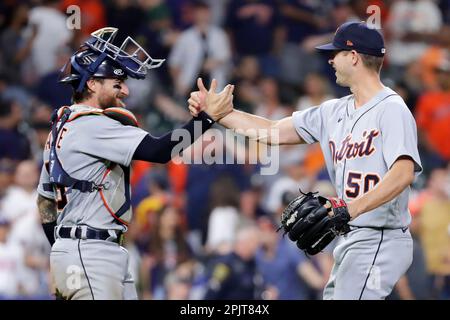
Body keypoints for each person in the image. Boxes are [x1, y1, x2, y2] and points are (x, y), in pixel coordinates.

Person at [189, 21, 422, 300]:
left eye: (336, 53)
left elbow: (404, 172)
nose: (331, 59)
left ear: (354, 57)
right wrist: (221, 115)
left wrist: (350, 208)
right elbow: (272, 132)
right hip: (353, 236)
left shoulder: (391, 109)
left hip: (381, 235)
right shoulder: (333, 111)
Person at [36, 27, 233, 300]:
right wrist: (206, 119)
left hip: (88, 250)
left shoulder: (60, 129)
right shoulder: (93, 124)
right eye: (117, 84)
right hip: (90, 254)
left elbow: (45, 203)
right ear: (92, 83)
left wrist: (62, 248)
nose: (126, 90)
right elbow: (160, 150)